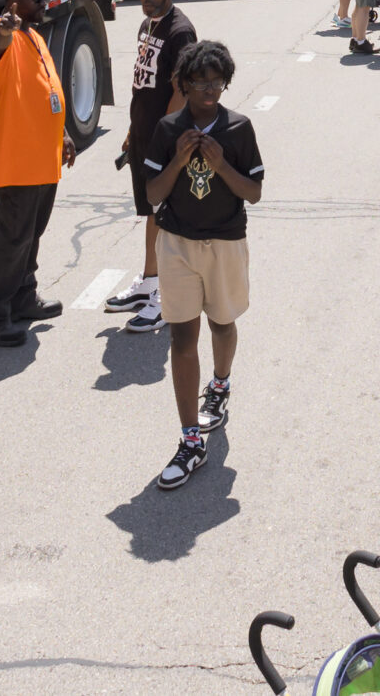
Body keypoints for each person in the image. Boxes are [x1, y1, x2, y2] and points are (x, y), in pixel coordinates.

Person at [143, 40, 264, 490]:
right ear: (185, 84)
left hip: (225, 242)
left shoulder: (238, 129)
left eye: (217, 82)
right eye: (200, 82)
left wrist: (220, 166)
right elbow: (154, 194)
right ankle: (190, 438)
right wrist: (178, 158)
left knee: (222, 324)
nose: (210, 90)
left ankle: (220, 383)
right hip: (176, 243)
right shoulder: (169, 128)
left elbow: (252, 192)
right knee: (181, 334)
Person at [0, 0, 77, 349]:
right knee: (11, 240)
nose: (44, 1)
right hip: (17, 165)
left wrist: (62, 133)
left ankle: (22, 297)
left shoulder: (33, 35)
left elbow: (46, 91)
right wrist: (3, 29)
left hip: (42, 161)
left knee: (31, 236)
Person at [105, 0, 194, 336]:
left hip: (165, 140)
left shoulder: (180, 29)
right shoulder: (148, 26)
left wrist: (165, 136)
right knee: (151, 212)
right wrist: (132, 130)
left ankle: (167, 297)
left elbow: (181, 88)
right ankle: (149, 281)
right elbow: (144, 83)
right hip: (143, 135)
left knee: (168, 215)